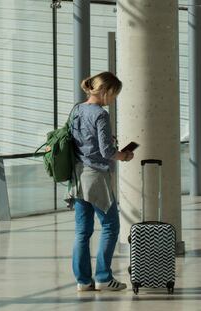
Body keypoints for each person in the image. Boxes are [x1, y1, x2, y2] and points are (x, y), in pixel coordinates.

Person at [69, 72, 134, 292]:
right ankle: (104, 277)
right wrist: (124, 155)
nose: (113, 100)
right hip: (96, 176)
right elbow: (106, 151)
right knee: (110, 226)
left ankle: (83, 281)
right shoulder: (100, 115)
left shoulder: (77, 110)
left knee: (82, 231)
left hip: (77, 175)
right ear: (106, 91)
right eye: (114, 95)